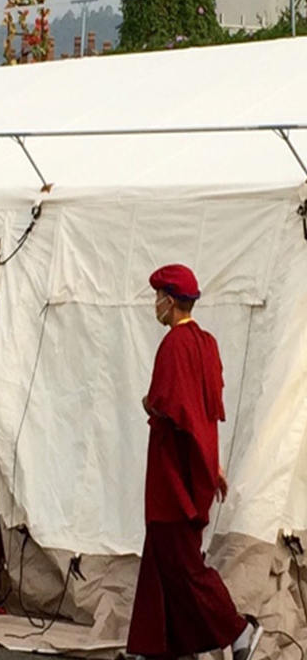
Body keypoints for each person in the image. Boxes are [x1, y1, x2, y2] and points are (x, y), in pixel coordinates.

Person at [126, 264, 263, 660]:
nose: (155, 305)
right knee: (160, 557)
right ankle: (156, 645)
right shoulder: (207, 343)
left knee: (181, 561)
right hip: (196, 463)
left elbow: (169, 405)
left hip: (174, 469)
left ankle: (238, 630)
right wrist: (213, 463)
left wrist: (147, 404)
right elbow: (208, 410)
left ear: (169, 301)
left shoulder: (174, 344)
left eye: (157, 298)